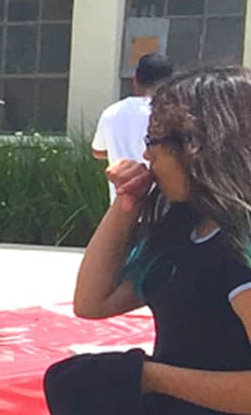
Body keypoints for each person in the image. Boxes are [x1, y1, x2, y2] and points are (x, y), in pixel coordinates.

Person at [60, 67, 251, 414]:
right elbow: (92, 301)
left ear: (198, 145)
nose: (147, 156)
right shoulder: (186, 230)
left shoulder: (240, 243)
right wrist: (127, 204)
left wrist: (149, 377)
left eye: (153, 142)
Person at [93, 53, 174, 194]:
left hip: (123, 204)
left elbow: (98, 152)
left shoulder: (111, 112)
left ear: (135, 80)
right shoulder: (172, 114)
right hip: (162, 205)